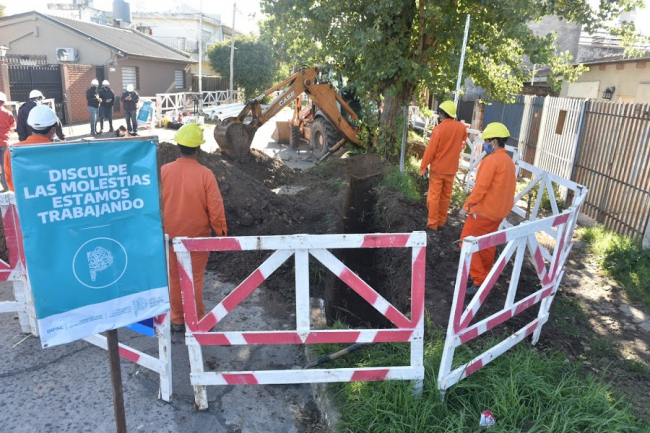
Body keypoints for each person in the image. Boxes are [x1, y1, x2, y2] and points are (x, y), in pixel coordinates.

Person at [161, 124, 228, 332]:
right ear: (198, 149)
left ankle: (178, 319)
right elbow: (215, 208)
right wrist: (222, 233)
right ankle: (196, 320)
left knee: (174, 277)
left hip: (170, 236)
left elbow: (156, 203)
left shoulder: (164, 171)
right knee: (194, 278)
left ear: (178, 146)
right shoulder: (205, 174)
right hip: (197, 238)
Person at [459, 122, 516, 295]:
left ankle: (479, 281)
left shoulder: (491, 161)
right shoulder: (508, 161)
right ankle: (484, 275)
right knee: (486, 245)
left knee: (466, 241)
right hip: (499, 213)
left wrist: (466, 206)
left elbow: (480, 189)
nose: (485, 144)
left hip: (484, 212)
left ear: (495, 142)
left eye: (487, 141)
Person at [420, 100, 468, 231]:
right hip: (451, 169)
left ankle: (432, 224)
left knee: (434, 197)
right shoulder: (461, 127)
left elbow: (431, 150)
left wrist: (423, 167)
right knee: (446, 197)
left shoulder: (439, 129)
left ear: (442, 114)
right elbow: (464, 138)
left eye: (440, 114)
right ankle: (441, 221)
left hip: (438, 169)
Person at [4, 105, 60, 192]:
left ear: (30, 126)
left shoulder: (12, 151)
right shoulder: (60, 151)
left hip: (25, 203)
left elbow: (12, 185)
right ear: (53, 130)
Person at [0, 92, 16, 191]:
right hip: (4, 143)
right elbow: (13, 125)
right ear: (4, 102)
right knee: (5, 166)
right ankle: (7, 188)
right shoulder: (8, 113)